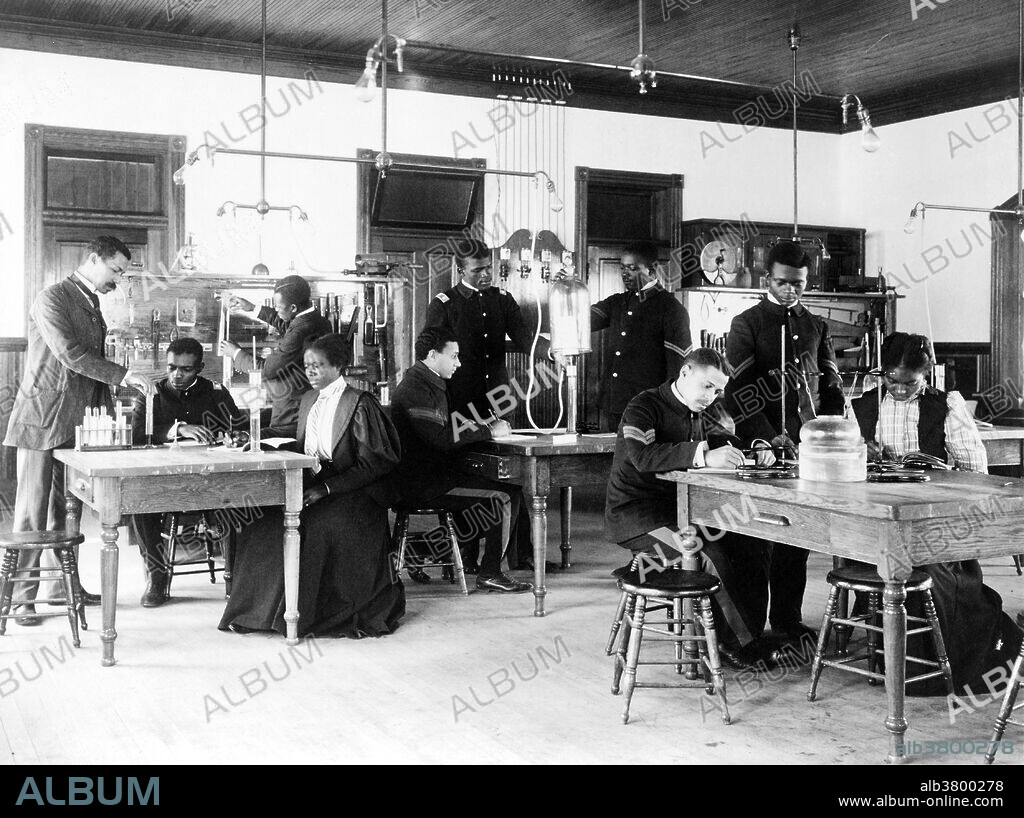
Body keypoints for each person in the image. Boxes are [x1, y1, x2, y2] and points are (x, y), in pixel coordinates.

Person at [850, 332, 1022, 695]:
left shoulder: (946, 405)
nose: (898, 390)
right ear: (882, 373)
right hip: (876, 516)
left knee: (925, 573)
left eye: (909, 383)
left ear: (926, 374)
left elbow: (976, 475)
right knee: (892, 562)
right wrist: (860, 452)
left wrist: (938, 469)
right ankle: (896, 655)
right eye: (891, 381)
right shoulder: (863, 404)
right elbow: (844, 465)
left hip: (936, 519)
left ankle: (930, 667)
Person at [3, 236, 154, 626]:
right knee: (31, 514)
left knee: (66, 509)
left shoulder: (91, 301)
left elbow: (91, 363)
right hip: (41, 418)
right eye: (115, 270)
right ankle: (22, 598)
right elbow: (71, 355)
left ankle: (61, 587)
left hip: (75, 422)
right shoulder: (52, 297)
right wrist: (125, 375)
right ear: (93, 259)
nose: (117, 280)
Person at [219, 333, 405, 638]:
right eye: (307, 366)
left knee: (316, 525)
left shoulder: (359, 403)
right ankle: (259, 614)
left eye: (318, 365)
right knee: (263, 520)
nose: (311, 372)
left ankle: (303, 616)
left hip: (354, 490)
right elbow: (295, 435)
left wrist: (327, 490)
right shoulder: (308, 400)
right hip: (312, 482)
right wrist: (251, 436)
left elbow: (375, 463)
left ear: (338, 366)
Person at [605, 347, 779, 670]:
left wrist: (758, 446)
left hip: (681, 513)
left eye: (717, 390)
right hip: (634, 517)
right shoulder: (642, 407)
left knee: (752, 539)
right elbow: (645, 457)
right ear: (685, 373)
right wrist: (702, 456)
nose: (712, 396)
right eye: (707, 387)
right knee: (710, 553)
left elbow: (719, 439)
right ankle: (735, 646)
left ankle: (749, 634)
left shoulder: (697, 408)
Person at [723, 240, 845, 642]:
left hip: (807, 447)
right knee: (759, 537)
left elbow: (830, 386)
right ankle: (750, 630)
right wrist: (764, 437)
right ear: (766, 279)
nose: (791, 290)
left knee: (801, 533)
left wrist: (833, 431)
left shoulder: (815, 325)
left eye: (799, 284)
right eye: (782, 283)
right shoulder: (747, 323)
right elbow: (737, 392)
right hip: (761, 446)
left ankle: (788, 621)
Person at [390, 326, 532, 593]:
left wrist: (475, 424)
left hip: (432, 477)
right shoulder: (416, 388)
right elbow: (441, 437)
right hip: (423, 484)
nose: (459, 362)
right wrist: (488, 430)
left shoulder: (425, 380)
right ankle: (491, 572)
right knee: (504, 497)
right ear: (433, 355)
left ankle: (421, 548)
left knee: (505, 490)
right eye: (453, 356)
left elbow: (440, 427)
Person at [128, 337, 248, 607]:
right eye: (172, 368)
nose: (177, 375)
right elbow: (136, 436)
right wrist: (177, 429)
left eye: (186, 369)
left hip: (211, 479)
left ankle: (236, 578)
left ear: (200, 368)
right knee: (140, 504)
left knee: (240, 498)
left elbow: (240, 427)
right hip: (164, 481)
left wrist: (233, 436)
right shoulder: (151, 394)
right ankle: (157, 576)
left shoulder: (216, 391)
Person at [423, 239, 542, 424]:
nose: (486, 274)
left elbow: (525, 338)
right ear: (460, 271)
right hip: (460, 402)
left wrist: (554, 353)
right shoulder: (444, 305)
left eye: (488, 267)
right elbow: (429, 357)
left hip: (500, 402)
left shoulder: (503, 300)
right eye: (477, 270)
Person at [589, 240, 692, 432]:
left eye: (632, 268)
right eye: (622, 268)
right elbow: (582, 320)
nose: (625, 274)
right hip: (614, 405)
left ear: (652, 269)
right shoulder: (618, 302)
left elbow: (677, 368)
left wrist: (669, 412)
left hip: (647, 408)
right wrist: (569, 285)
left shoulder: (670, 308)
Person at [222, 274, 332, 437]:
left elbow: (266, 369)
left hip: (292, 412)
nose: (276, 310)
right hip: (305, 406)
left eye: (278, 307)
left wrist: (235, 353)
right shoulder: (317, 320)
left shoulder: (300, 330)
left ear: (293, 308)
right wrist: (253, 308)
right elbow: (287, 324)